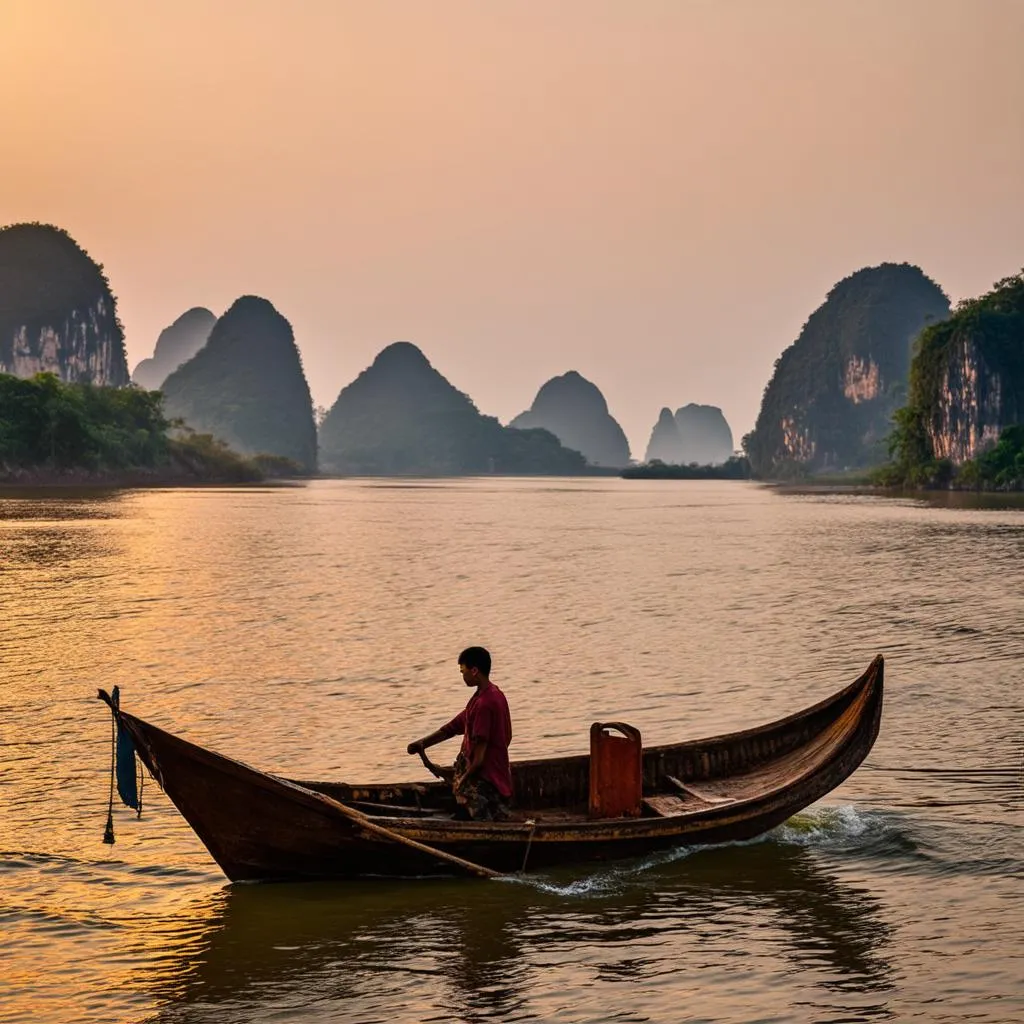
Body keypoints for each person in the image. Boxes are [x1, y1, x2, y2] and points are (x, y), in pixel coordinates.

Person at [407, 646, 513, 821]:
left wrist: (460, 782)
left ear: (474, 671)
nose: (462, 676)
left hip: (488, 782)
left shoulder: (485, 704)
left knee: (462, 800)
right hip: (492, 774)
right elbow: (453, 727)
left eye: (463, 672)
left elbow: (478, 761)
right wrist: (423, 743)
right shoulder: (486, 696)